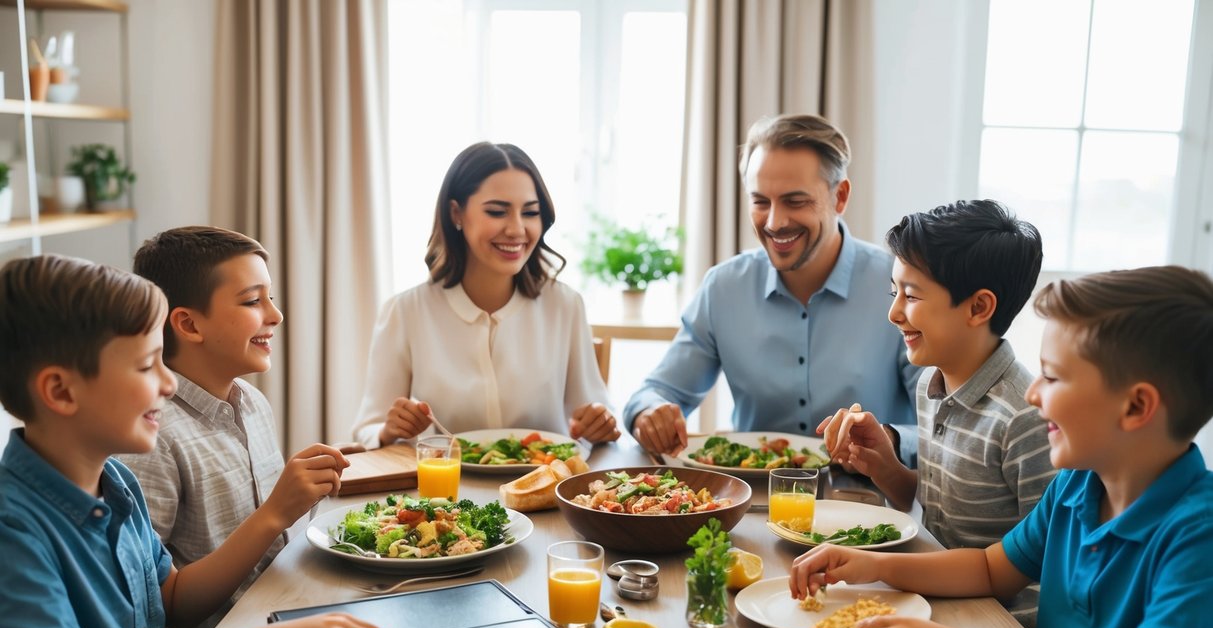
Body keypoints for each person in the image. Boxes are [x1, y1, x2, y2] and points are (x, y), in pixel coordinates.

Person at [789, 266, 1213, 628]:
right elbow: (991, 569)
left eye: (1054, 378)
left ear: (1136, 407)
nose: (1033, 395)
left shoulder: (1197, 532)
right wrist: (870, 563)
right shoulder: (1077, 485)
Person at [0, 255, 396, 628]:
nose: (167, 382)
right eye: (146, 365)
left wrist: (274, 523)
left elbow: (177, 596)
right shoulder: (15, 530)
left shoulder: (117, 483)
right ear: (61, 391)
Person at [623, 113, 920, 457]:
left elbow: (944, 424)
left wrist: (890, 439)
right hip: (754, 505)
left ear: (840, 197)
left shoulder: (900, 286)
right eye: (760, 201)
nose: (775, 222)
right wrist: (650, 413)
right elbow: (655, 393)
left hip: (865, 502)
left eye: (796, 201)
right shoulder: (725, 288)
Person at [117, 226, 349, 628]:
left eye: (271, 298)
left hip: (285, 610)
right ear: (188, 324)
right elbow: (166, 609)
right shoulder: (150, 435)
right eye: (252, 301)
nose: (275, 316)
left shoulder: (253, 403)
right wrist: (277, 512)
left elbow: (273, 547)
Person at [816, 200, 1055, 549]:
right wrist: (886, 467)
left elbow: (1048, 559)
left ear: (978, 307)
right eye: (893, 292)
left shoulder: (1024, 418)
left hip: (989, 605)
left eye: (910, 296)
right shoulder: (930, 384)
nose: (893, 313)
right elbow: (940, 515)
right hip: (934, 586)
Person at [351, 142, 620, 446]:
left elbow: (594, 413)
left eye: (530, 212)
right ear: (456, 213)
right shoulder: (406, 311)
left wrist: (601, 422)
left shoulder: (565, 306)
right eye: (497, 211)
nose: (517, 229)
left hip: (542, 485)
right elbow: (368, 429)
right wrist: (390, 429)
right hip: (445, 490)